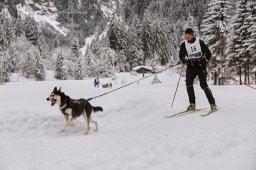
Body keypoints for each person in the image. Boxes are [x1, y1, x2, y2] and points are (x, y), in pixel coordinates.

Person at [179, 28, 217, 111]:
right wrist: (185, 61)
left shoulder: (199, 42)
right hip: (191, 66)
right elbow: (181, 56)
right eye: (185, 35)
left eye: (188, 35)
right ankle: (192, 104)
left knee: (203, 85)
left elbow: (208, 53)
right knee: (188, 84)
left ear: (192, 35)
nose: (186, 36)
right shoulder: (183, 44)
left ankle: (212, 103)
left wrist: (206, 62)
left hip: (200, 65)